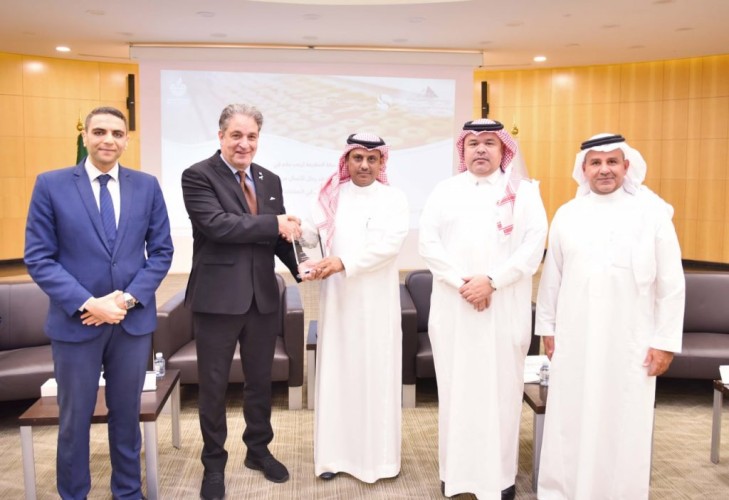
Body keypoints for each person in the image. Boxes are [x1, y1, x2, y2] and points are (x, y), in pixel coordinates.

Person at [24, 106, 174, 500]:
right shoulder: (51, 184)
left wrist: (126, 299)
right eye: (100, 132)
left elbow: (161, 252)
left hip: (131, 323)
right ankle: (74, 493)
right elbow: (39, 257)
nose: (109, 140)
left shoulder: (146, 186)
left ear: (127, 140)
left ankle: (127, 492)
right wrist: (89, 303)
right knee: (74, 419)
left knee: (127, 416)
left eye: (117, 133)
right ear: (86, 137)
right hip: (76, 324)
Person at [535, 133, 685, 500]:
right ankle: (563, 491)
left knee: (625, 419)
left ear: (626, 166)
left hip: (632, 340)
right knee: (571, 416)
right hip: (576, 337)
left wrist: (665, 343)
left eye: (612, 162)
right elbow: (552, 277)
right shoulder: (567, 215)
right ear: (583, 169)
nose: (604, 170)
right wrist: (548, 329)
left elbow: (672, 283)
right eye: (596, 163)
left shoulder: (652, 214)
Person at [419, 119, 548, 499]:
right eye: (473, 142)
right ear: (463, 149)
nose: (480, 149)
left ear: (503, 149)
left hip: (503, 309)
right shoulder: (444, 191)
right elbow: (428, 244)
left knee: (502, 394)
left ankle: (499, 478)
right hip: (455, 308)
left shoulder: (525, 192)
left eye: (489, 142)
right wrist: (465, 283)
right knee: (456, 393)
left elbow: (532, 248)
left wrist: (491, 281)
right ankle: (456, 475)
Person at [181, 103, 302, 500]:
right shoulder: (198, 175)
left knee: (260, 382)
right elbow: (218, 226)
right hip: (216, 300)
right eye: (236, 135)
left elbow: (277, 238)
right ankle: (214, 465)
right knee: (214, 386)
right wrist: (275, 223)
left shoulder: (269, 179)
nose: (244, 144)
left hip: (262, 299)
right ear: (221, 136)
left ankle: (258, 451)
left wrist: (303, 266)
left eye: (251, 136)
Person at [300, 133, 409, 483]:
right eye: (357, 158)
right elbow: (309, 239)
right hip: (339, 302)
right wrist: (306, 259)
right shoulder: (329, 197)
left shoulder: (394, 198)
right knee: (338, 374)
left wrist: (343, 262)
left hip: (378, 305)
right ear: (346, 160)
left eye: (371, 159)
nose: (364, 165)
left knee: (377, 375)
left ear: (381, 162)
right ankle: (333, 458)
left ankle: (380, 462)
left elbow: (389, 247)